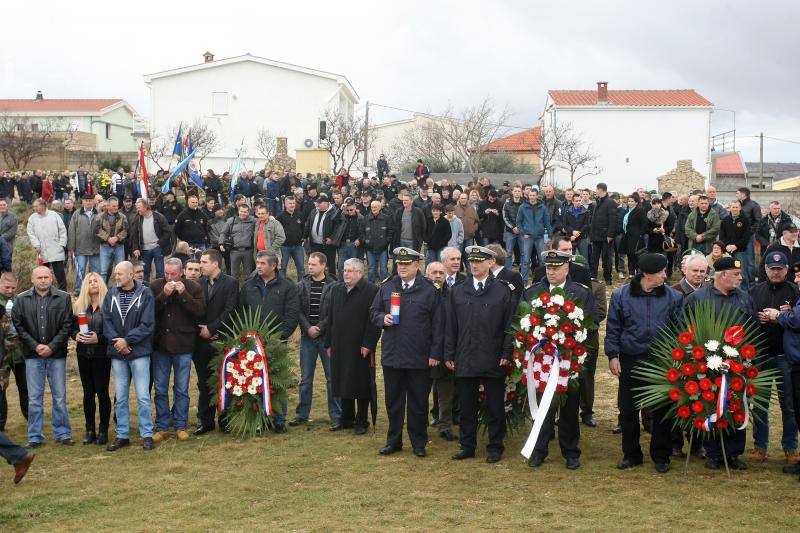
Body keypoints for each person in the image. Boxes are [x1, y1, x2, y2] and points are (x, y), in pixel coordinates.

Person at [606, 253, 683, 472]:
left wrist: (678, 359)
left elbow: (681, 330)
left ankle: (661, 455)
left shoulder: (673, 297)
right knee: (628, 409)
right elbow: (613, 328)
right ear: (647, 274)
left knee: (662, 410)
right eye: (662, 272)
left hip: (662, 360)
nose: (665, 276)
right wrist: (613, 355)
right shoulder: (621, 296)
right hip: (631, 359)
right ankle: (631, 455)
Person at [524, 251, 596, 469]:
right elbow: (522, 322)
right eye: (548, 267)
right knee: (542, 408)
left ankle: (571, 452)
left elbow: (591, 325)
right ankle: (539, 450)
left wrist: (580, 357)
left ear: (567, 269)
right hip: (541, 363)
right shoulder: (533, 292)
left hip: (568, 362)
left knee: (569, 409)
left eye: (556, 268)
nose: (551, 271)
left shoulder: (581, 293)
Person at [684, 256, 757, 470]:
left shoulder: (745, 298)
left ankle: (734, 453)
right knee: (710, 405)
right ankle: (713, 453)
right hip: (707, 364)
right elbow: (683, 327)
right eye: (736, 274)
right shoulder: (698, 298)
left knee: (737, 405)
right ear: (722, 275)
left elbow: (753, 330)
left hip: (738, 365)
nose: (741, 277)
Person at [370, 247, 443, 457]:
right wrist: (381, 318)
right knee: (393, 402)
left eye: (406, 264)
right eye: (399, 264)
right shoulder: (387, 286)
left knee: (418, 403)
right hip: (393, 355)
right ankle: (393, 441)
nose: (401, 267)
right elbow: (373, 311)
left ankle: (418, 443)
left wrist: (435, 354)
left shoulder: (430, 290)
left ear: (417, 266)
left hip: (420, 357)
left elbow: (439, 325)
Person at [445, 246, 514, 463]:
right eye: (471, 261)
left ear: (490, 263)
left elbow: (509, 325)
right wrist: (449, 353)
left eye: (479, 261)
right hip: (465, 356)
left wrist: (507, 352)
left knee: (495, 405)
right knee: (467, 406)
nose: (474, 265)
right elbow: (450, 325)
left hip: (493, 357)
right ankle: (467, 445)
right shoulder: (457, 291)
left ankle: (495, 446)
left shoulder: (503, 291)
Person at [11, 266, 74, 447]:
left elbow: (67, 324)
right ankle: (35, 436)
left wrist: (52, 347)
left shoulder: (63, 298)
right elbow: (18, 325)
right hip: (32, 355)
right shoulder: (21, 300)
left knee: (60, 396)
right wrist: (36, 346)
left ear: (51, 278)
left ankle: (63, 434)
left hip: (57, 355)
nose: (43, 280)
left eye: (46, 277)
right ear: (32, 279)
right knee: (35, 398)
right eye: (39, 277)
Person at [239, 251, 299, 432]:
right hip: (252, 342)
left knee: (277, 381)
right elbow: (241, 312)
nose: (258, 266)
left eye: (263, 263)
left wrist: (281, 336)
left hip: (276, 342)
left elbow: (291, 314)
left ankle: (279, 420)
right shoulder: (248, 286)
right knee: (254, 381)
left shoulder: (287, 286)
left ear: (274, 266)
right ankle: (259, 419)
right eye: (257, 262)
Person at [749, 251, 800, 465]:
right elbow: (747, 319)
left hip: (785, 357)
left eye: (780, 269)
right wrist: (759, 319)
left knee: (788, 405)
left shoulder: (795, 291)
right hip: (760, 356)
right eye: (772, 268)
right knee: (760, 404)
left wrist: (782, 317)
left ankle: (791, 448)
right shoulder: (754, 291)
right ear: (766, 269)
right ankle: (760, 447)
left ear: (786, 270)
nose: (776, 272)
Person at [149, 258, 205, 443]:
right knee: (161, 388)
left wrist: (184, 295)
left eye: (173, 274)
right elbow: (149, 311)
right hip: (161, 346)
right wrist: (163, 295)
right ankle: (163, 425)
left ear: (181, 272)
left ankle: (181, 425)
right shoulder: (156, 285)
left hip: (183, 345)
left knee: (181, 389)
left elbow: (200, 311)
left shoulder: (193, 287)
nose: (170, 277)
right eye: (167, 273)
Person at [102, 261, 156, 452]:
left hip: (139, 352)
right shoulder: (111, 294)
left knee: (142, 396)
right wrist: (119, 343)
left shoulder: (146, 294)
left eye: (119, 274)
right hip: (118, 354)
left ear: (131, 275)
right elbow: (106, 322)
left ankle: (147, 434)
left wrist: (127, 341)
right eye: (115, 273)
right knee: (121, 397)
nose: (116, 277)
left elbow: (147, 324)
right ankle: (122, 434)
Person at [326, 259, 381, 434]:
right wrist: (328, 343)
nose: (346, 273)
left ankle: (361, 420)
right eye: (344, 270)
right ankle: (346, 418)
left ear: (360, 273)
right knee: (343, 379)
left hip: (360, 346)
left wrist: (368, 344)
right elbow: (330, 317)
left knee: (360, 382)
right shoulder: (336, 289)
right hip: (339, 344)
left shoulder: (371, 291)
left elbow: (374, 322)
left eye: (350, 271)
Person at [291, 252, 340, 428]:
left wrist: (319, 327)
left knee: (332, 377)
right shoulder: (301, 285)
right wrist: (307, 328)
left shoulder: (334, 286)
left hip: (326, 338)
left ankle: (336, 415)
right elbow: (297, 309)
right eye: (309, 264)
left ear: (323, 265)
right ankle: (302, 414)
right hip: (307, 338)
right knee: (305, 379)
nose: (309, 267)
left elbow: (334, 312)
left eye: (313, 264)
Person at [194, 250, 239, 434]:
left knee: (224, 381)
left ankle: (225, 419)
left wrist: (212, 329)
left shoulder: (231, 283)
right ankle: (205, 421)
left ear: (215, 263)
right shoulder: (198, 283)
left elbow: (230, 310)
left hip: (222, 340)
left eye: (204, 262)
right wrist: (202, 330)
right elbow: (194, 309)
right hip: (201, 342)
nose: (201, 265)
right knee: (203, 382)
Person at [72, 272, 110, 446]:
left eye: (96, 281)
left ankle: (103, 430)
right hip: (83, 354)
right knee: (88, 393)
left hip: (102, 355)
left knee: (102, 392)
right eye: (90, 281)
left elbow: (114, 330)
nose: (93, 284)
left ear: (100, 284)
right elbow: (71, 328)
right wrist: (76, 336)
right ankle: (90, 430)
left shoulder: (108, 305)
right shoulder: (79, 306)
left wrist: (99, 338)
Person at [0, 273, 27, 432]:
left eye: (13, 288)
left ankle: (32, 421)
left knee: (25, 388)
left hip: (20, 353)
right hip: (2, 355)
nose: (10, 290)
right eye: (6, 287)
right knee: (1, 390)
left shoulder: (20, 300)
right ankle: (1, 427)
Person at [26, 199, 68, 290]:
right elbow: (30, 233)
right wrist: (36, 245)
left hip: (56, 248)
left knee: (60, 273)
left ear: (43, 206)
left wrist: (61, 244)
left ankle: (64, 292)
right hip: (42, 250)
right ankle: (45, 291)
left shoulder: (54, 215)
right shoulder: (32, 218)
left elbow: (62, 230)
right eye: (34, 206)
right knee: (43, 274)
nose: (34, 208)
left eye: (36, 206)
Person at [130, 198, 171, 283]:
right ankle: (145, 290)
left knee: (160, 271)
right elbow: (134, 235)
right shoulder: (137, 219)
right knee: (144, 272)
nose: (137, 210)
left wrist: (160, 243)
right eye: (137, 208)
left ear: (145, 207)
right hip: (144, 249)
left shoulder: (159, 217)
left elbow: (167, 232)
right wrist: (135, 248)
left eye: (139, 208)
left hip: (157, 248)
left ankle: (161, 290)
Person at [516, 188, 552, 283]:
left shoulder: (542, 207)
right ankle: (524, 280)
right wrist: (523, 233)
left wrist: (549, 236)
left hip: (540, 237)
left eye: (533, 195)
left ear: (537, 196)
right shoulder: (522, 207)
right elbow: (518, 222)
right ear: (528, 196)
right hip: (528, 237)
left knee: (542, 260)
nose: (532, 197)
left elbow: (547, 223)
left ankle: (543, 279)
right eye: (530, 195)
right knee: (526, 260)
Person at [68, 194, 100, 295]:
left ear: (94, 202)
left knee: (96, 271)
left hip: (96, 248)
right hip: (81, 248)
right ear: (82, 201)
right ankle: (78, 290)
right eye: (86, 200)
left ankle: (96, 289)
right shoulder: (77, 214)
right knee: (80, 270)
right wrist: (71, 247)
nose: (88, 202)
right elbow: (71, 231)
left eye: (90, 200)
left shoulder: (99, 213)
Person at [588, 183, 618, 285]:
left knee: (606, 258)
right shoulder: (598, 202)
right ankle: (593, 276)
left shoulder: (610, 202)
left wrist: (610, 235)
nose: (595, 191)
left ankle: (607, 279)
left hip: (606, 236)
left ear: (600, 189)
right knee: (594, 257)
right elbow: (594, 220)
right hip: (596, 236)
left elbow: (613, 220)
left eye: (596, 189)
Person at [94, 196, 128, 284]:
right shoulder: (99, 216)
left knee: (121, 271)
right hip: (104, 247)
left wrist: (117, 238)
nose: (116, 208)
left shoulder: (122, 217)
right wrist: (108, 239)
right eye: (113, 206)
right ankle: (103, 292)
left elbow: (127, 230)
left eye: (117, 206)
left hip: (119, 247)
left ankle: (121, 290)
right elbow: (97, 230)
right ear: (108, 206)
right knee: (103, 272)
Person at [220, 204, 256, 282]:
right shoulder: (231, 220)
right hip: (234, 251)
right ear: (238, 211)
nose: (243, 213)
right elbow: (223, 233)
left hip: (248, 251)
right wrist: (221, 243)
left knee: (248, 273)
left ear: (248, 212)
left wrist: (271, 218)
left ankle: (247, 291)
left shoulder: (253, 220)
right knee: (234, 274)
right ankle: (234, 291)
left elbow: (262, 221)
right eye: (241, 211)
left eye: (245, 212)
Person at [305, 194, 340, 271]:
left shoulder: (334, 212)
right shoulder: (314, 211)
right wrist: (304, 236)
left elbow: (337, 228)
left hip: (327, 245)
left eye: (319, 203)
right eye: (317, 202)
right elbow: (308, 224)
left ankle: (331, 281)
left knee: (330, 264)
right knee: (317, 264)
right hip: (314, 244)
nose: (317, 204)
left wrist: (332, 238)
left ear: (326, 203)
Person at [360, 200, 392, 283]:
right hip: (369, 248)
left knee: (383, 267)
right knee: (371, 267)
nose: (373, 209)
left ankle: (384, 283)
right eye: (372, 207)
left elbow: (390, 231)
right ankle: (371, 282)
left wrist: (386, 241)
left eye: (375, 207)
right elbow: (361, 231)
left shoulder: (386, 218)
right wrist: (365, 241)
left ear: (380, 208)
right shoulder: (366, 218)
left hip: (383, 248)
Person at [736, 187, 761, 288]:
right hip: (737, 238)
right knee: (739, 261)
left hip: (749, 238)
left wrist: (748, 233)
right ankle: (742, 284)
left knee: (750, 261)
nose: (736, 195)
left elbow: (758, 221)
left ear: (743, 194)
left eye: (737, 193)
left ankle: (751, 285)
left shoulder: (754, 205)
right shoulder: (737, 205)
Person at [277, 196, 306, 280]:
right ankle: (282, 287)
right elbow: (276, 231)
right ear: (285, 204)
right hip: (284, 247)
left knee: (301, 268)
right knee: (282, 268)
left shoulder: (300, 214)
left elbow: (303, 227)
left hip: (298, 246)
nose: (292, 205)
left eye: (293, 203)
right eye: (290, 203)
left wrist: (303, 237)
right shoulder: (280, 216)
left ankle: (302, 287)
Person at [333, 199, 362, 280]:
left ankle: (352, 282)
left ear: (355, 207)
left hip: (354, 245)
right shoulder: (343, 215)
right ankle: (341, 283)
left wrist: (359, 239)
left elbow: (363, 231)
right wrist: (340, 209)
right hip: (343, 244)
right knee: (341, 266)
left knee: (353, 266)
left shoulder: (360, 218)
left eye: (351, 209)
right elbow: (334, 220)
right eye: (348, 210)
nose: (350, 211)